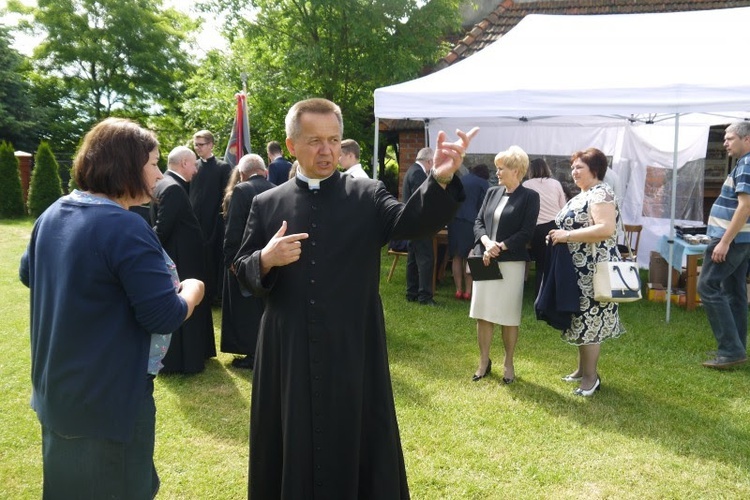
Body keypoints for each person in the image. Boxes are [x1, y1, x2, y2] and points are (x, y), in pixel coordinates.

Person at [233, 97, 477, 498]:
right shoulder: (265, 202)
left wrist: (442, 180)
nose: (326, 150)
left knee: (355, 432)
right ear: (291, 145)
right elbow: (240, 269)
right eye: (314, 141)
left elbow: (410, 222)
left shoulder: (367, 194)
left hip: (351, 343)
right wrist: (265, 259)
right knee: (288, 434)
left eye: (333, 140)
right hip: (288, 346)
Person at [19, 117, 205, 498]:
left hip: (60, 394)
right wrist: (193, 290)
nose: (158, 174)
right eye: (153, 163)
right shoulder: (124, 227)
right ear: (125, 166)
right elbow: (163, 315)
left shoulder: (54, 212)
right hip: (108, 401)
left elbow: (30, 273)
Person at [547, 147, 625, 396]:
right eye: (573, 167)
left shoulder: (601, 193)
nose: (574, 171)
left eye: (579, 167)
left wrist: (566, 235)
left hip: (594, 271)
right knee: (581, 319)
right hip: (578, 270)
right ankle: (582, 370)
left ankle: (591, 379)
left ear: (595, 170)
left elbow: (605, 228)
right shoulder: (585, 193)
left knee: (590, 321)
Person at [470, 146, 539, 384]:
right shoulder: (491, 193)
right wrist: (487, 243)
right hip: (485, 259)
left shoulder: (530, 197)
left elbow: (526, 232)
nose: (497, 172)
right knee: (483, 313)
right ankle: (483, 361)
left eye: (501, 168)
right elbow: (478, 222)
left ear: (517, 170)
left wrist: (501, 246)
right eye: (497, 168)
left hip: (510, 262)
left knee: (509, 315)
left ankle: (508, 362)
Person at [152, 146, 216, 374]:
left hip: (183, 258)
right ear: (184, 163)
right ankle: (187, 360)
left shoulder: (166, 185)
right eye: (194, 165)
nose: (196, 171)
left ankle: (200, 352)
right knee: (186, 307)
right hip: (182, 261)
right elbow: (161, 229)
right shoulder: (173, 189)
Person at [698, 121, 750, 369]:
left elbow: (745, 207)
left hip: (731, 240)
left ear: (746, 139)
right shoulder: (743, 163)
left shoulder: (747, 164)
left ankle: (730, 350)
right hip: (741, 239)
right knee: (735, 291)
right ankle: (737, 347)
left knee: (707, 286)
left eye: (730, 138)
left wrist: (725, 242)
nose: (725, 143)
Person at [220, 153, 275, 369]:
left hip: (246, 256)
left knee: (247, 309)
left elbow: (234, 228)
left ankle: (254, 354)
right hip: (269, 256)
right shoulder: (274, 187)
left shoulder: (242, 190)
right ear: (264, 170)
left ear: (242, 174)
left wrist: (230, 258)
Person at [191, 130, 233, 304]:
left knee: (214, 256)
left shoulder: (223, 167)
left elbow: (226, 194)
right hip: (195, 221)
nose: (198, 148)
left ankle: (215, 293)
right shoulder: (193, 166)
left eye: (201, 144)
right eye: (195, 145)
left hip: (215, 221)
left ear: (211, 145)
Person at [523, 158, 567, 294]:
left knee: (540, 265)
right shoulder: (556, 183)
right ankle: (555, 295)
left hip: (537, 228)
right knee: (555, 263)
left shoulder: (526, 184)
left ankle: (540, 295)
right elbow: (563, 207)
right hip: (555, 226)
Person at [448, 164, 489, 300]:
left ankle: (458, 290)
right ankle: (468, 291)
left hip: (454, 220)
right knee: (470, 255)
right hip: (472, 222)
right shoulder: (483, 183)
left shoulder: (460, 179)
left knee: (456, 256)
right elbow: (485, 206)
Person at [402, 147, 437, 305]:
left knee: (413, 259)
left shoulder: (411, 170)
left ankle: (412, 292)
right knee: (426, 259)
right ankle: (425, 296)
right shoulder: (418, 173)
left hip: (411, 223)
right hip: (419, 223)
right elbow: (422, 200)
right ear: (429, 161)